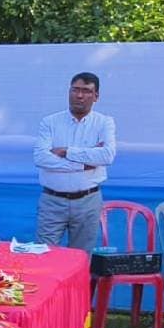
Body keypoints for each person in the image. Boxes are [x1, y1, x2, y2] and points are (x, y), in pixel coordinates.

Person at [34, 72, 116, 252]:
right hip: (52, 200)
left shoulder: (104, 123)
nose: (79, 95)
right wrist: (83, 164)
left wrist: (67, 152)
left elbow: (107, 156)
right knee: (43, 254)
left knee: (81, 258)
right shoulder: (50, 122)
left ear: (96, 97)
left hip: (88, 200)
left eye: (86, 91)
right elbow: (40, 158)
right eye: (75, 90)